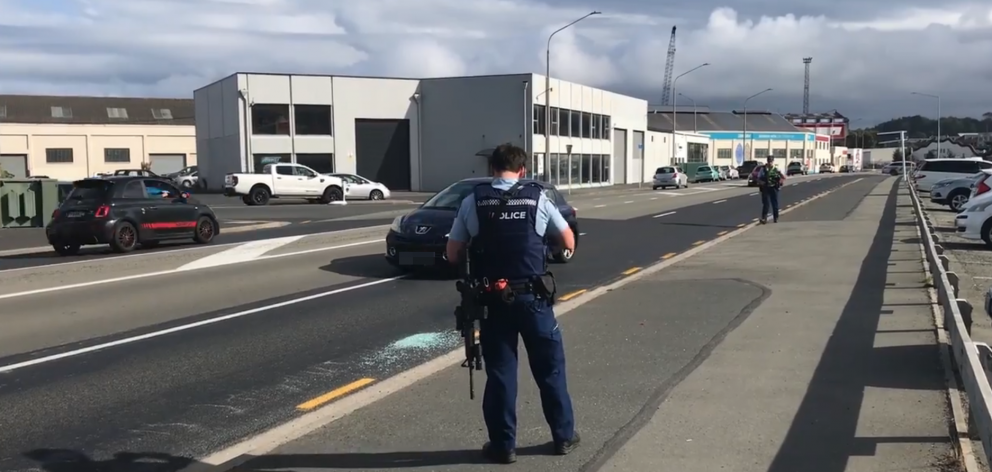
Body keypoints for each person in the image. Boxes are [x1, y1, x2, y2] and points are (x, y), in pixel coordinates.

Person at [445, 143, 580, 464]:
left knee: (501, 373)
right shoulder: (537, 198)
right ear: (523, 170)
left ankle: (503, 445)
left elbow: (453, 253)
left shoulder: (473, 201)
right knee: (550, 369)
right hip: (533, 299)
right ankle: (562, 437)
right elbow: (568, 240)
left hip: (493, 301)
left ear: (491, 170)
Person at [756, 155, 784, 223]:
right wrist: (761, 182)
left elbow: (783, 177)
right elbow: (758, 178)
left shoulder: (776, 168)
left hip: (774, 188)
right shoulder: (763, 169)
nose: (770, 162)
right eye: (769, 161)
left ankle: (776, 217)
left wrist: (780, 181)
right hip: (766, 188)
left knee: (775, 204)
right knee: (766, 204)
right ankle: (764, 218)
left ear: (773, 161)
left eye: (771, 161)